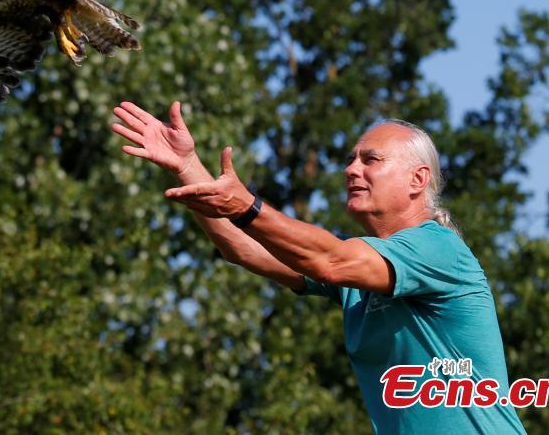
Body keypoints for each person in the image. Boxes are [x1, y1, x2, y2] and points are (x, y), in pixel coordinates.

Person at [111, 100, 526, 434]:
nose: (351, 169)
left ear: (418, 180)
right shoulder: (359, 268)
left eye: (371, 159)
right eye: (351, 159)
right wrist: (188, 167)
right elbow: (244, 247)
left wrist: (246, 205)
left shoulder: (437, 248)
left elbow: (329, 260)